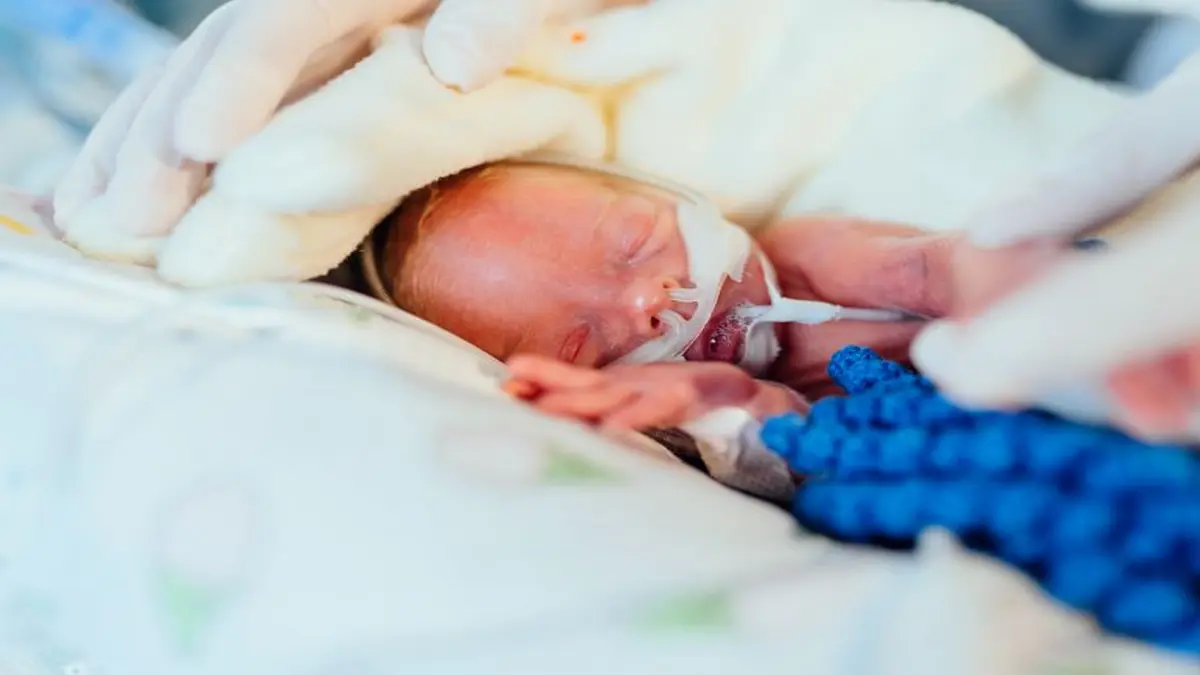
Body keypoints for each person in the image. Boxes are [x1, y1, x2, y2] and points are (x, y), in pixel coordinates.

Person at [367, 159, 1069, 432]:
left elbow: (934, 269)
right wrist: (706, 395)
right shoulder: (719, 398)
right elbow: (782, 439)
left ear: (678, 197)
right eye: (587, 343)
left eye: (636, 241)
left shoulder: (808, 254)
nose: (648, 301)